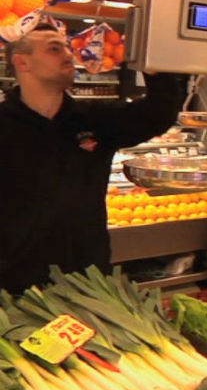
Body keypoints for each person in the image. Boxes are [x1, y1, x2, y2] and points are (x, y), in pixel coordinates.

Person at [0, 23, 181, 294]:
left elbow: (158, 114)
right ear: (22, 62)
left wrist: (152, 64)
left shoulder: (93, 119)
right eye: (54, 49)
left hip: (86, 277)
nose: (67, 54)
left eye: (66, 47)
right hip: (13, 280)